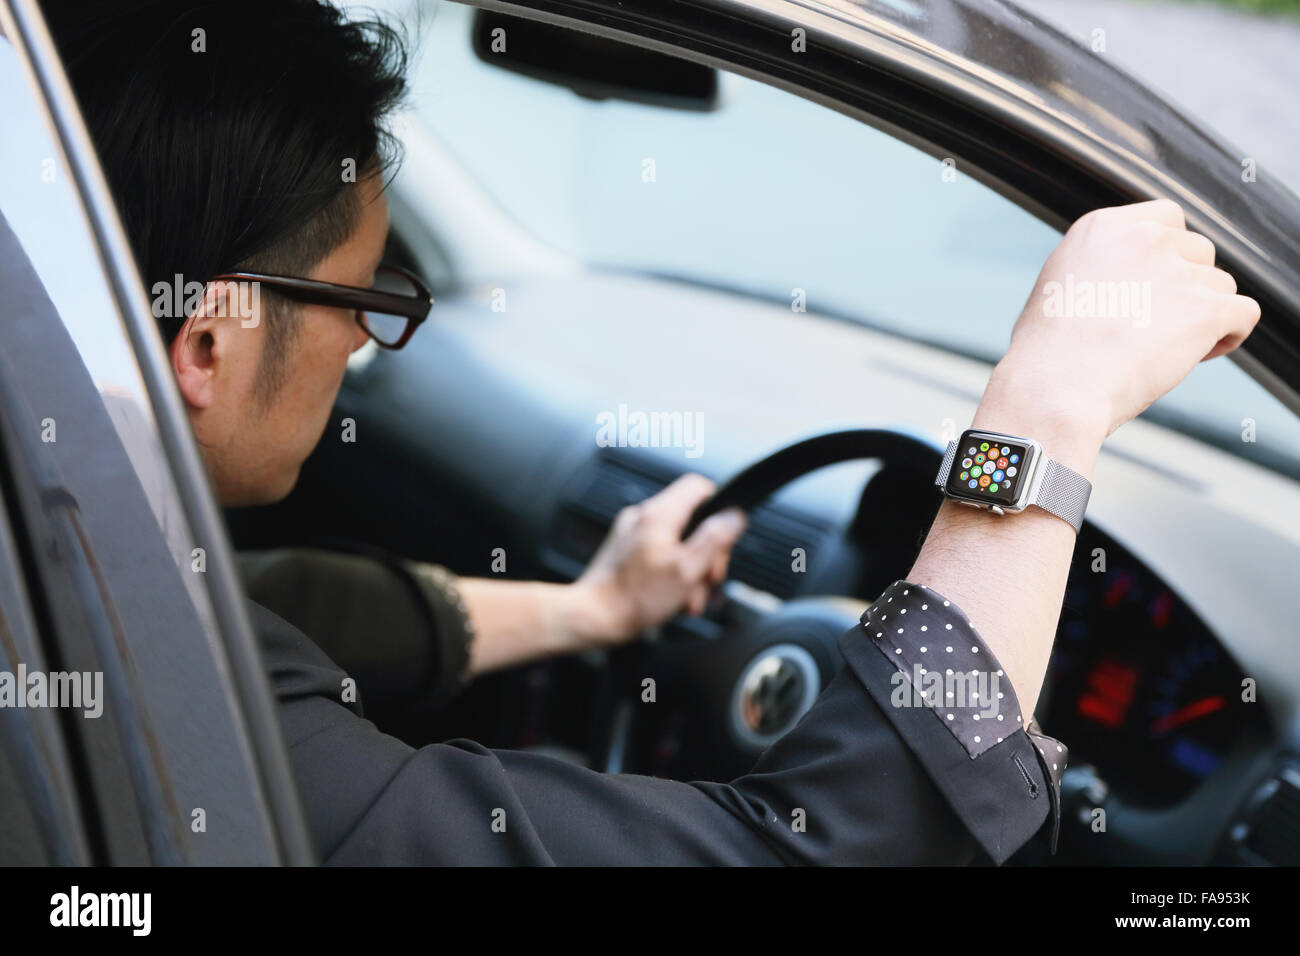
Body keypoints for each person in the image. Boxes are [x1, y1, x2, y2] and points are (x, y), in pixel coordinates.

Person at [44, 0, 1260, 864]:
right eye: (367, 299)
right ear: (207, 342)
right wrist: (1047, 409)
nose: (367, 342)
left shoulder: (86, 564)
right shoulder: (186, 732)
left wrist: (591, 609)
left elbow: (286, 605)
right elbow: (859, 837)